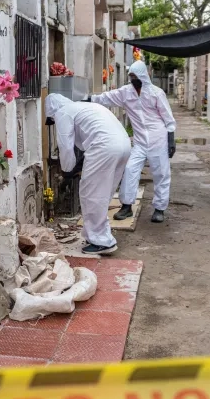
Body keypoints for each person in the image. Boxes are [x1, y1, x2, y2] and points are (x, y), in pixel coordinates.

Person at [88, 61, 176, 223]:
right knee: (130, 170)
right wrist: (88, 99)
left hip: (159, 139)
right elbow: (106, 98)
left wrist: (171, 140)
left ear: (143, 75)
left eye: (136, 76)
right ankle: (127, 206)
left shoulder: (156, 93)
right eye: (131, 76)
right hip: (140, 142)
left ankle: (159, 209)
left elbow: (168, 118)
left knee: (161, 173)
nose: (133, 79)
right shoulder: (125, 93)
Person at [45, 94, 131, 255]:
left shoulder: (63, 112)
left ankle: (101, 241)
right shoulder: (82, 107)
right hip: (124, 145)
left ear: (52, 112)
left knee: (90, 193)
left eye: (52, 120)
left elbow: (65, 146)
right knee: (102, 194)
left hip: (104, 147)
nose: (54, 122)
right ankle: (97, 234)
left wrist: (67, 171)